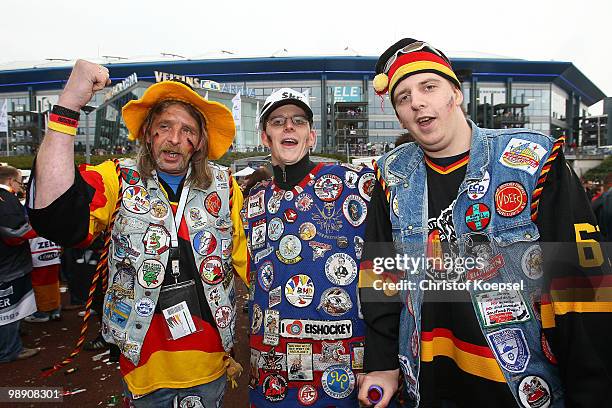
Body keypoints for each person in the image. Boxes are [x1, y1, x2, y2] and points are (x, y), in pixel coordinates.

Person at [357, 38, 612, 407]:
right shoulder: (391, 177)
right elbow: (380, 277)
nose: (417, 102)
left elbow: (583, 289)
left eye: (429, 87)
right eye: (403, 97)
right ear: (399, 115)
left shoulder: (532, 162)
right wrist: (382, 365)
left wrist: (593, 393)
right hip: (426, 386)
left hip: (521, 387)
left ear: (455, 94)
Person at [27, 59, 247, 406]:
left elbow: (252, 262)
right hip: (142, 365)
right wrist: (68, 104)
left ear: (201, 141)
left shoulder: (226, 186)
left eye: (188, 130)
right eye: (164, 126)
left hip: (210, 361)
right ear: (147, 132)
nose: (175, 139)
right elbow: (54, 215)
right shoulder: (117, 177)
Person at [245, 88, 375, 407]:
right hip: (272, 367)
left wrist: (382, 352)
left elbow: (385, 269)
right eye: (278, 121)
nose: (289, 126)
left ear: (312, 136)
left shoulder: (354, 185)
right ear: (265, 137)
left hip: (343, 366)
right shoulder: (252, 202)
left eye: (298, 121)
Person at [0, 165, 39, 362]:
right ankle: (9, 349)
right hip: (9, 265)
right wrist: (43, 227)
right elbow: (15, 233)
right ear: (10, 181)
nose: (21, 185)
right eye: (18, 181)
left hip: (8, 262)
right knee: (8, 310)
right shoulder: (5, 200)